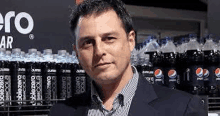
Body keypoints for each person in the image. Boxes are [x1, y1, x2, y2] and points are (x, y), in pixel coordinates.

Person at [50, 0, 208, 115]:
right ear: (77, 52)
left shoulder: (182, 109)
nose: (99, 51)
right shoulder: (61, 112)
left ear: (130, 40)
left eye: (109, 38)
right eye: (88, 42)